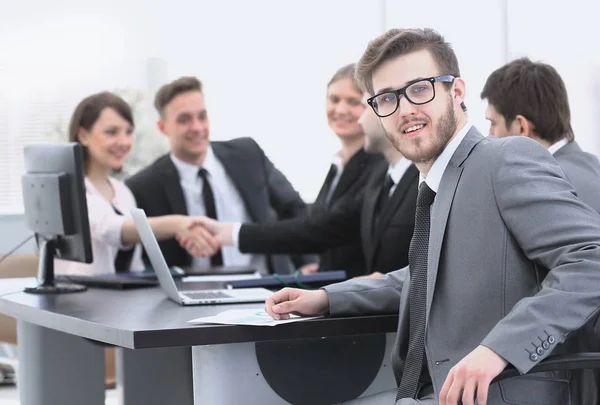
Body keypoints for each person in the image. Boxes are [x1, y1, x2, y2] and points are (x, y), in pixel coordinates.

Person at [263, 28, 600, 405]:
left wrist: (501, 349)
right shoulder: (439, 183)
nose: (405, 108)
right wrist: (328, 298)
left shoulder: (505, 159)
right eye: (387, 98)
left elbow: (591, 260)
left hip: (496, 393)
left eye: (419, 89)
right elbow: (426, 276)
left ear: (456, 92)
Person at [186, 93, 418, 278]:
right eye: (334, 99)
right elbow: (321, 226)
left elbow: (322, 228)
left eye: (361, 104)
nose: (356, 116)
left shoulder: (405, 177)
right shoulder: (375, 176)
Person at [126, 77, 312, 275]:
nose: (197, 128)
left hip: (266, 285)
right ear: (163, 127)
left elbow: (292, 207)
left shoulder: (247, 154)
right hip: (192, 293)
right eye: (184, 120)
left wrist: (306, 262)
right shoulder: (144, 186)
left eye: (202, 116)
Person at [57, 92, 209, 276]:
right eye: (112, 132)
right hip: (80, 299)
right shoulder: (72, 191)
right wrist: (177, 224)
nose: (124, 142)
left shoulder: (123, 192)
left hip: (119, 300)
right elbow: (111, 229)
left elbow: (134, 266)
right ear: (83, 135)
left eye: (129, 132)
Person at [481, 57, 600, 213]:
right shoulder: (592, 168)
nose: (489, 135)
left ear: (521, 127)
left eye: (493, 123)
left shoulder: (542, 186)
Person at [299, 64, 383, 277]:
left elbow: (329, 229)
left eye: (353, 102)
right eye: (334, 100)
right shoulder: (337, 165)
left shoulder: (379, 166)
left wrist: (233, 234)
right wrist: (322, 269)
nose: (340, 110)